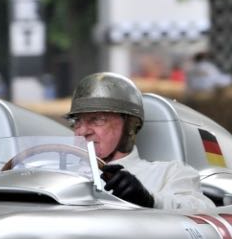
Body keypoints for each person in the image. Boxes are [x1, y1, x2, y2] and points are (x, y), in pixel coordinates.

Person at [66, 72, 214, 211]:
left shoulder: (169, 173)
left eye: (97, 119)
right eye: (77, 121)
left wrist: (149, 200)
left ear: (130, 125)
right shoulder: (62, 174)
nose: (82, 131)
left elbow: (204, 211)